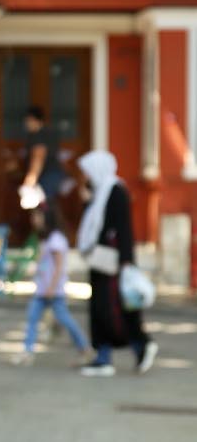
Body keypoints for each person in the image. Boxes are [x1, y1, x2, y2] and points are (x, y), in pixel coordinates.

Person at [76, 150, 158, 377]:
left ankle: (137, 345)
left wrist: (126, 262)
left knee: (114, 309)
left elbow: (123, 229)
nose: (86, 177)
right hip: (101, 263)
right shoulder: (99, 193)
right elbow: (93, 227)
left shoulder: (116, 191)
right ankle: (108, 355)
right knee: (103, 310)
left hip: (112, 263)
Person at [13, 205, 88, 364]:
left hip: (52, 290)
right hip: (42, 288)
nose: (34, 220)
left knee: (65, 319)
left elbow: (59, 266)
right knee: (32, 318)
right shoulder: (45, 238)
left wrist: (52, 287)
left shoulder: (56, 239)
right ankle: (28, 351)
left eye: (37, 216)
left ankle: (84, 347)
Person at [21, 105, 64, 207]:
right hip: (54, 174)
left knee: (43, 208)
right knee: (49, 205)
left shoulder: (38, 136)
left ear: (32, 119)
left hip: (46, 176)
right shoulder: (50, 133)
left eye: (27, 121)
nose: (26, 124)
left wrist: (30, 181)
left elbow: (38, 158)